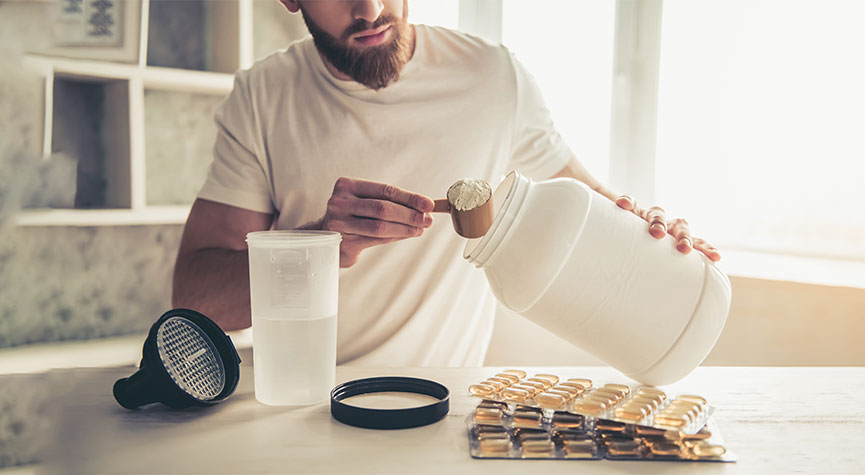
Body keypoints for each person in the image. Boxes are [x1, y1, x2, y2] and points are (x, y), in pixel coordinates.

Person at [172, 0, 720, 366]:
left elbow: (594, 210)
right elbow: (196, 302)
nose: (369, 9)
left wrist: (653, 230)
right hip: (300, 405)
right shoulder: (262, 96)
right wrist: (320, 245)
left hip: (443, 412)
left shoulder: (494, 79)